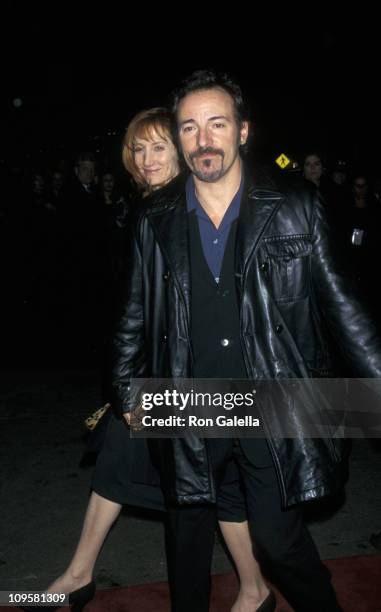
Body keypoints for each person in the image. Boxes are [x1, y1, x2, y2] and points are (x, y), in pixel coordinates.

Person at [111, 70, 381, 612]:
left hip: (270, 397)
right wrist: (127, 393)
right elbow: (134, 314)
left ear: (242, 132)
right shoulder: (155, 219)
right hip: (185, 399)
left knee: (280, 544)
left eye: (216, 124)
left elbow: (344, 308)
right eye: (189, 128)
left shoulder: (295, 205)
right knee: (185, 546)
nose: (202, 140)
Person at [36, 108, 270, 612]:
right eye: (138, 149)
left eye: (159, 147)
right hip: (154, 376)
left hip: (195, 378)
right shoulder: (145, 207)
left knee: (217, 486)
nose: (146, 159)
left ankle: (255, 587)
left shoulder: (192, 210)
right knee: (122, 465)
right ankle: (79, 574)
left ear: (184, 155)